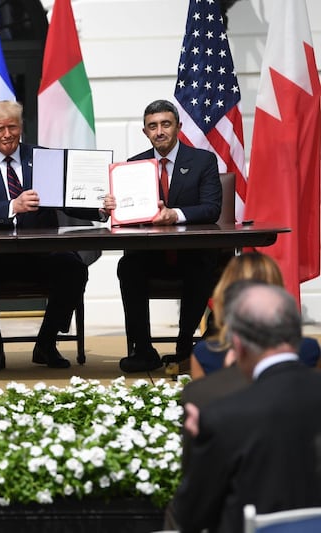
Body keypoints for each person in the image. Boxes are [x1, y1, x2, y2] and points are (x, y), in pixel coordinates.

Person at [0, 100, 104, 372]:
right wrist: (13, 206)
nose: (7, 134)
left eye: (13, 127)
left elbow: (65, 199)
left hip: (41, 253)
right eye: (0, 128)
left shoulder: (42, 157)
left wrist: (99, 208)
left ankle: (46, 343)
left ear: (21, 127)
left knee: (74, 268)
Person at [172, 281, 321, 533]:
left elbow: (191, 517)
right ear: (296, 336)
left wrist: (198, 444)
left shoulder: (222, 418)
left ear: (237, 345)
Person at [102, 99, 222, 373]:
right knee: (127, 267)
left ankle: (184, 347)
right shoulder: (132, 166)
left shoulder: (203, 161)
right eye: (152, 126)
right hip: (150, 255)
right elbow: (126, 215)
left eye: (165, 124)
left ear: (178, 127)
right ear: (145, 132)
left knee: (203, 267)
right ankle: (143, 350)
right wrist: (111, 207)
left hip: (191, 253)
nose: (159, 131)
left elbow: (212, 208)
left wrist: (174, 214)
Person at [191, 251, 321, 378]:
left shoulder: (205, 354)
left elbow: (203, 395)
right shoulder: (308, 349)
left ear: (225, 290)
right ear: (277, 291)